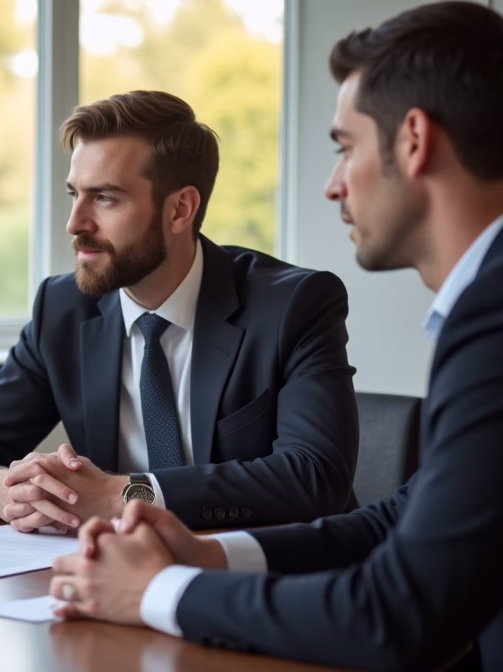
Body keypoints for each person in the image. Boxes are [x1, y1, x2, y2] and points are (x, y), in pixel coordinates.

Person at [48, 3, 503, 671]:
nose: (332, 185)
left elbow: (395, 617)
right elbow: (401, 516)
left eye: (345, 148)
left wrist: (160, 590)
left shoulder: (490, 316)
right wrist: (214, 553)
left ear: (413, 139)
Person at [0, 90, 358, 533]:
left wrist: (120, 494)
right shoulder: (63, 310)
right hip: (118, 574)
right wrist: (4, 489)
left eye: (105, 198)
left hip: (271, 578)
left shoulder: (293, 305)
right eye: (74, 194)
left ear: (179, 210)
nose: (75, 223)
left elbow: (314, 477)